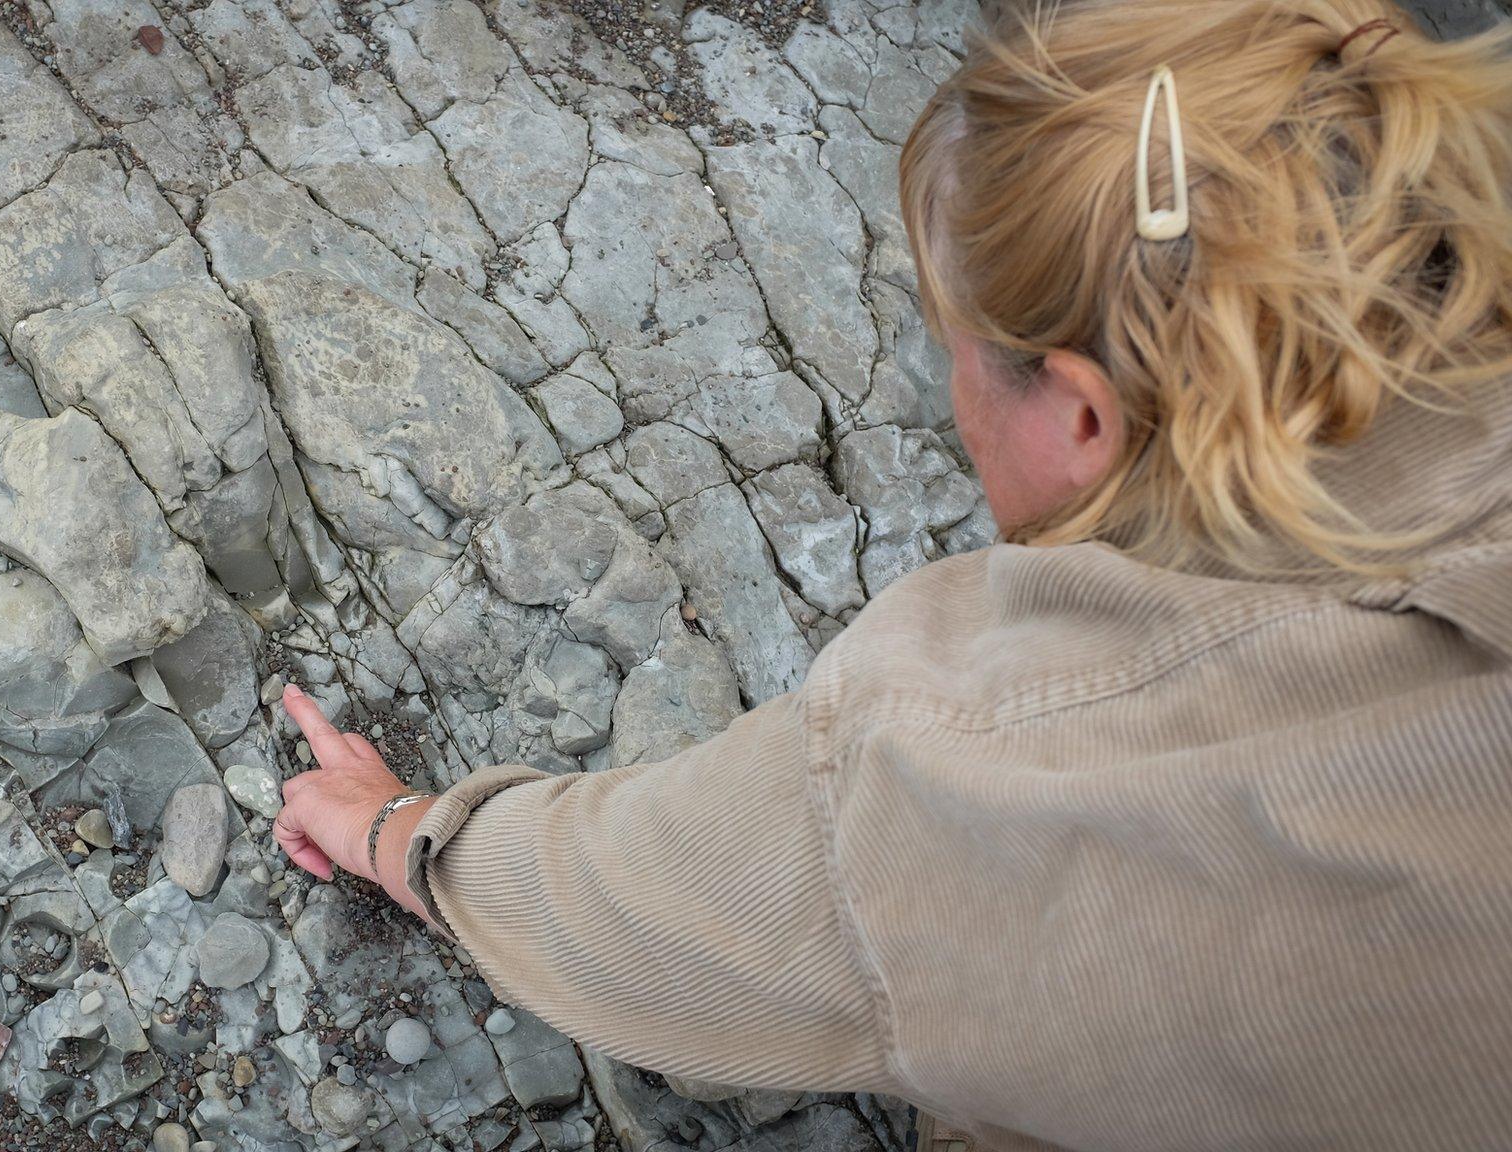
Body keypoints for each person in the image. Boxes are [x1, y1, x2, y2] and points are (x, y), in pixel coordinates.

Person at [270, 1, 1512, 1148]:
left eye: (954, 349)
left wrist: (396, 832)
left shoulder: (978, 757)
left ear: (1081, 416)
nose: (950, 394)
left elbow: (626, 913)